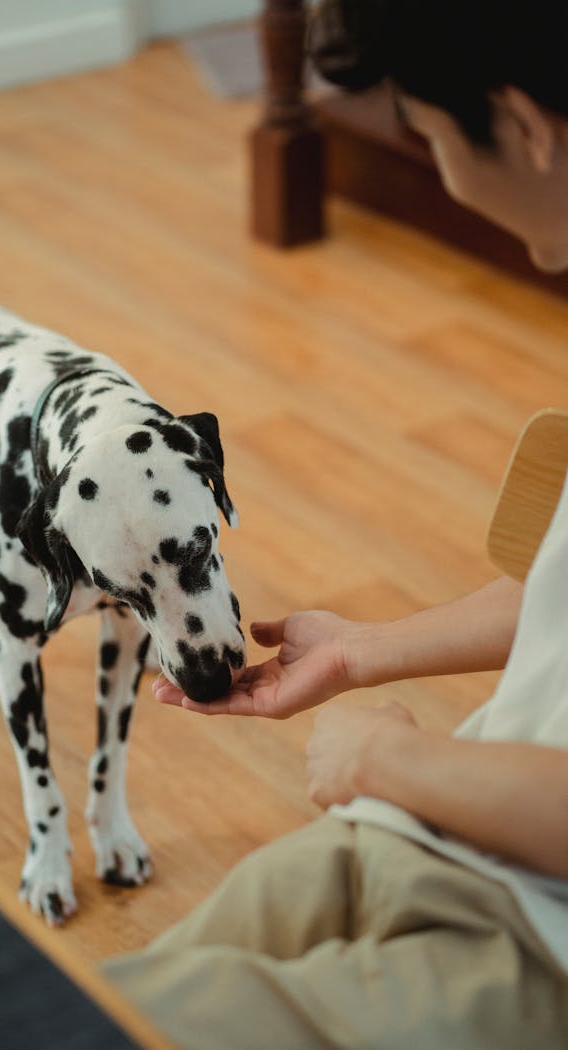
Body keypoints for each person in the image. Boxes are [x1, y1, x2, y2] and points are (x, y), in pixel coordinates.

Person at [99, 3, 568, 1046]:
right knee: (93, 995)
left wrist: (382, 762)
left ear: (525, 126)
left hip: (533, 953)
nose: (442, 171)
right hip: (452, 834)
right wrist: (362, 654)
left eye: (434, 136)